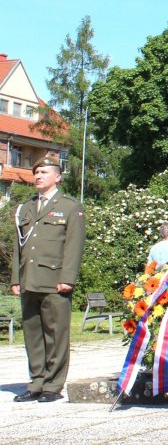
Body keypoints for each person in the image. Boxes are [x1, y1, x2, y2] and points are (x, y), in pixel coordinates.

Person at [10, 156, 85, 403]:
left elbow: (74, 246)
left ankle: (53, 385)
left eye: (43, 172)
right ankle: (36, 382)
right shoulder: (26, 208)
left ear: (57, 176)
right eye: (36, 172)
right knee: (32, 334)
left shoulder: (70, 206)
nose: (38, 176)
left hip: (54, 281)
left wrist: (68, 278)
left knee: (55, 335)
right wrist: (15, 278)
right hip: (29, 279)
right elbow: (18, 247)